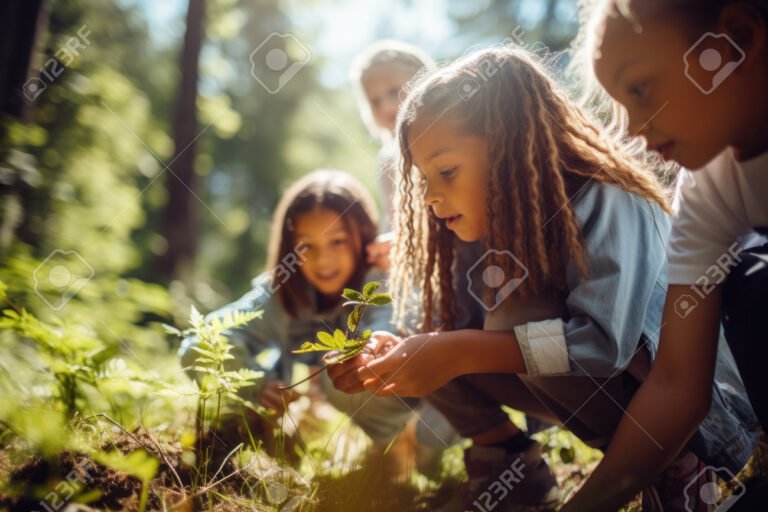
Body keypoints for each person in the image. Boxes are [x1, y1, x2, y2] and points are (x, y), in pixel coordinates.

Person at [329, 47, 757, 511]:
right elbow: (452, 334)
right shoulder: (499, 225)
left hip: (709, 420)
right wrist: (398, 355)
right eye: (423, 178)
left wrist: (460, 351)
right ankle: (510, 467)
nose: (430, 196)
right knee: (439, 326)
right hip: (610, 399)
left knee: (510, 316)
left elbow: (603, 345)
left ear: (510, 143)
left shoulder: (603, 197)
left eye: (446, 171)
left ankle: (686, 468)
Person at [561, 1, 768, 509]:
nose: (632, 128)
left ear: (732, 41)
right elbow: (677, 383)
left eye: (640, 88)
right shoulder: (709, 186)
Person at [179, 170, 457, 469]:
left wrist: (374, 343)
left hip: (441, 404)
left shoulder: (380, 278)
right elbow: (200, 341)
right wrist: (257, 387)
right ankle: (391, 449)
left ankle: (417, 442)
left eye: (338, 241)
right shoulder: (284, 291)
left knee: (343, 372)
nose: (323, 261)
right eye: (307, 246)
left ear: (362, 235)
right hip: (369, 410)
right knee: (333, 377)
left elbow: (385, 323)